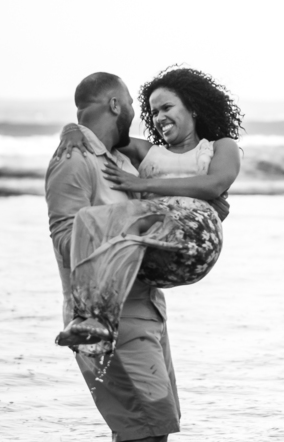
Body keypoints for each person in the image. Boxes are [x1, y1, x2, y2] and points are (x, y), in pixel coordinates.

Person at [46, 71, 183, 442]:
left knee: (157, 425)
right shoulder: (73, 160)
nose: (135, 114)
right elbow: (65, 239)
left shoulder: (119, 159)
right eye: (129, 103)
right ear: (113, 103)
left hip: (146, 306)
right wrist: (137, 220)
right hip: (104, 315)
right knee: (145, 423)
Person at [53, 66, 243, 351]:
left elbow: (213, 185)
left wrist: (144, 185)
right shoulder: (147, 152)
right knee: (97, 225)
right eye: (154, 112)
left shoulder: (219, 147)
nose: (159, 118)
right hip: (152, 251)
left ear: (193, 108)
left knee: (127, 217)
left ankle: (97, 318)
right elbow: (99, 134)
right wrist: (70, 131)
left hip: (196, 237)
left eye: (167, 107)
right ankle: (96, 320)